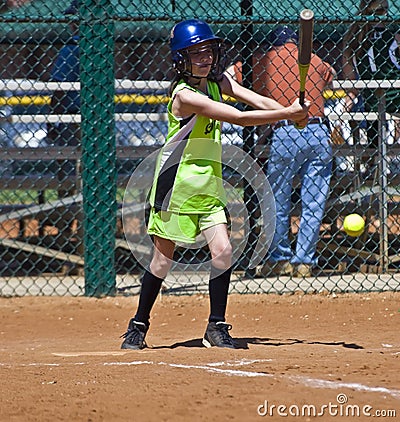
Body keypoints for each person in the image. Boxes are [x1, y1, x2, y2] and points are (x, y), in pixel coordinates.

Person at [120, 19, 309, 350]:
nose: (206, 58)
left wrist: (290, 112)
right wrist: (288, 113)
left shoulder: (218, 81)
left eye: (208, 51)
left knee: (223, 253)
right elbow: (236, 117)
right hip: (175, 187)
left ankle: (216, 327)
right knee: (162, 262)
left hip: (208, 187)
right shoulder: (184, 96)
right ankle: (138, 325)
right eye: (196, 53)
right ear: (181, 59)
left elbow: (256, 102)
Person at [228, 25, 336, 278]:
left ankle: (280, 259)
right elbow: (329, 75)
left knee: (277, 197)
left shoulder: (263, 59)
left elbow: (230, 75)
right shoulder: (314, 59)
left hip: (286, 130)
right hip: (319, 130)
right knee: (314, 200)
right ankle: (305, 261)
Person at [342, 0, 400, 151]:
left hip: (371, 99)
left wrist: (350, 97)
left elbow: (351, 81)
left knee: (375, 143)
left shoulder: (355, 39)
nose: (386, 15)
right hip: (395, 98)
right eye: (383, 11)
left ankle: (372, 165)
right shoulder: (393, 37)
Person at [47, 0, 80, 238]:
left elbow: (58, 88)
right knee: (83, 173)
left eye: (73, 20)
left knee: (68, 173)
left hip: (71, 119)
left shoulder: (72, 48)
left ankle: (67, 227)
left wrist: (52, 118)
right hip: (91, 120)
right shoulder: (101, 47)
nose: (70, 24)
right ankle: (78, 226)